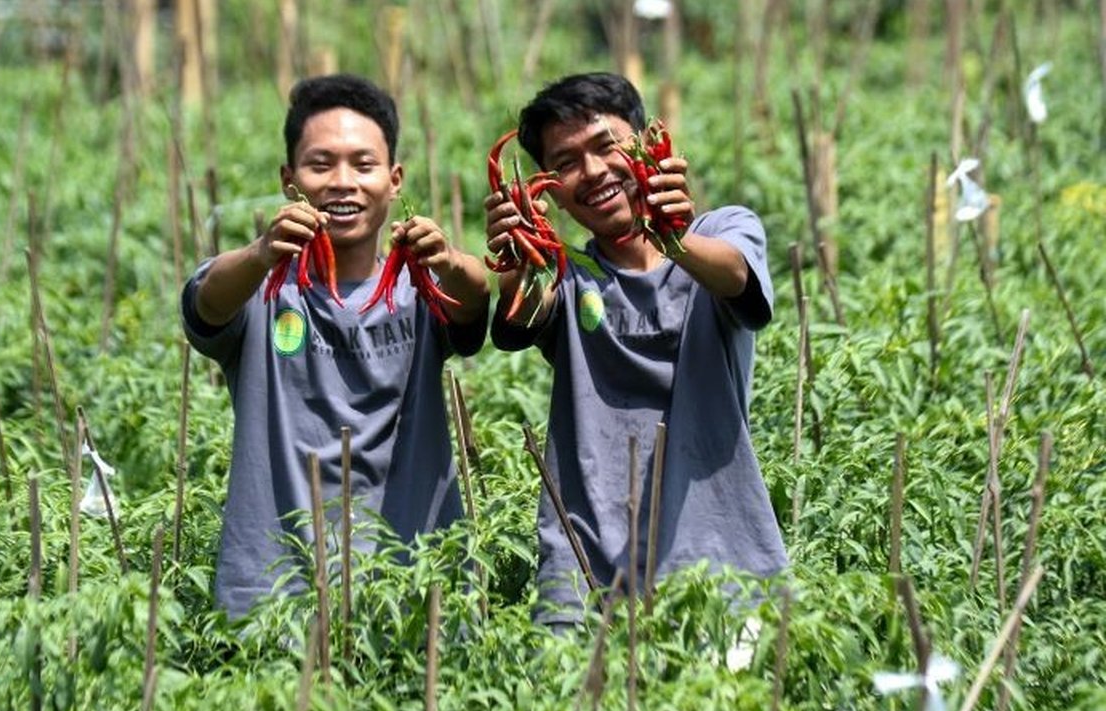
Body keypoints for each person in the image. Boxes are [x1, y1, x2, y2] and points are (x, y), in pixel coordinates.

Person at [182, 74, 490, 618]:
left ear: (394, 180)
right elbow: (205, 303)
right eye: (320, 165)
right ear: (289, 181)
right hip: (273, 596)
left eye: (363, 165)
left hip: (412, 592)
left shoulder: (421, 289)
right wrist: (260, 254)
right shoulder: (262, 289)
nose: (343, 182)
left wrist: (447, 261)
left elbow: (474, 301)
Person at [485, 72, 787, 625]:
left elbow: (736, 277)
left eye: (606, 145)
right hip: (583, 570)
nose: (593, 171)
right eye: (566, 162)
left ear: (647, 145)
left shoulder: (723, 230)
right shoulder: (569, 274)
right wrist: (519, 255)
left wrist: (673, 238)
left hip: (721, 561)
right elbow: (521, 315)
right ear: (550, 190)